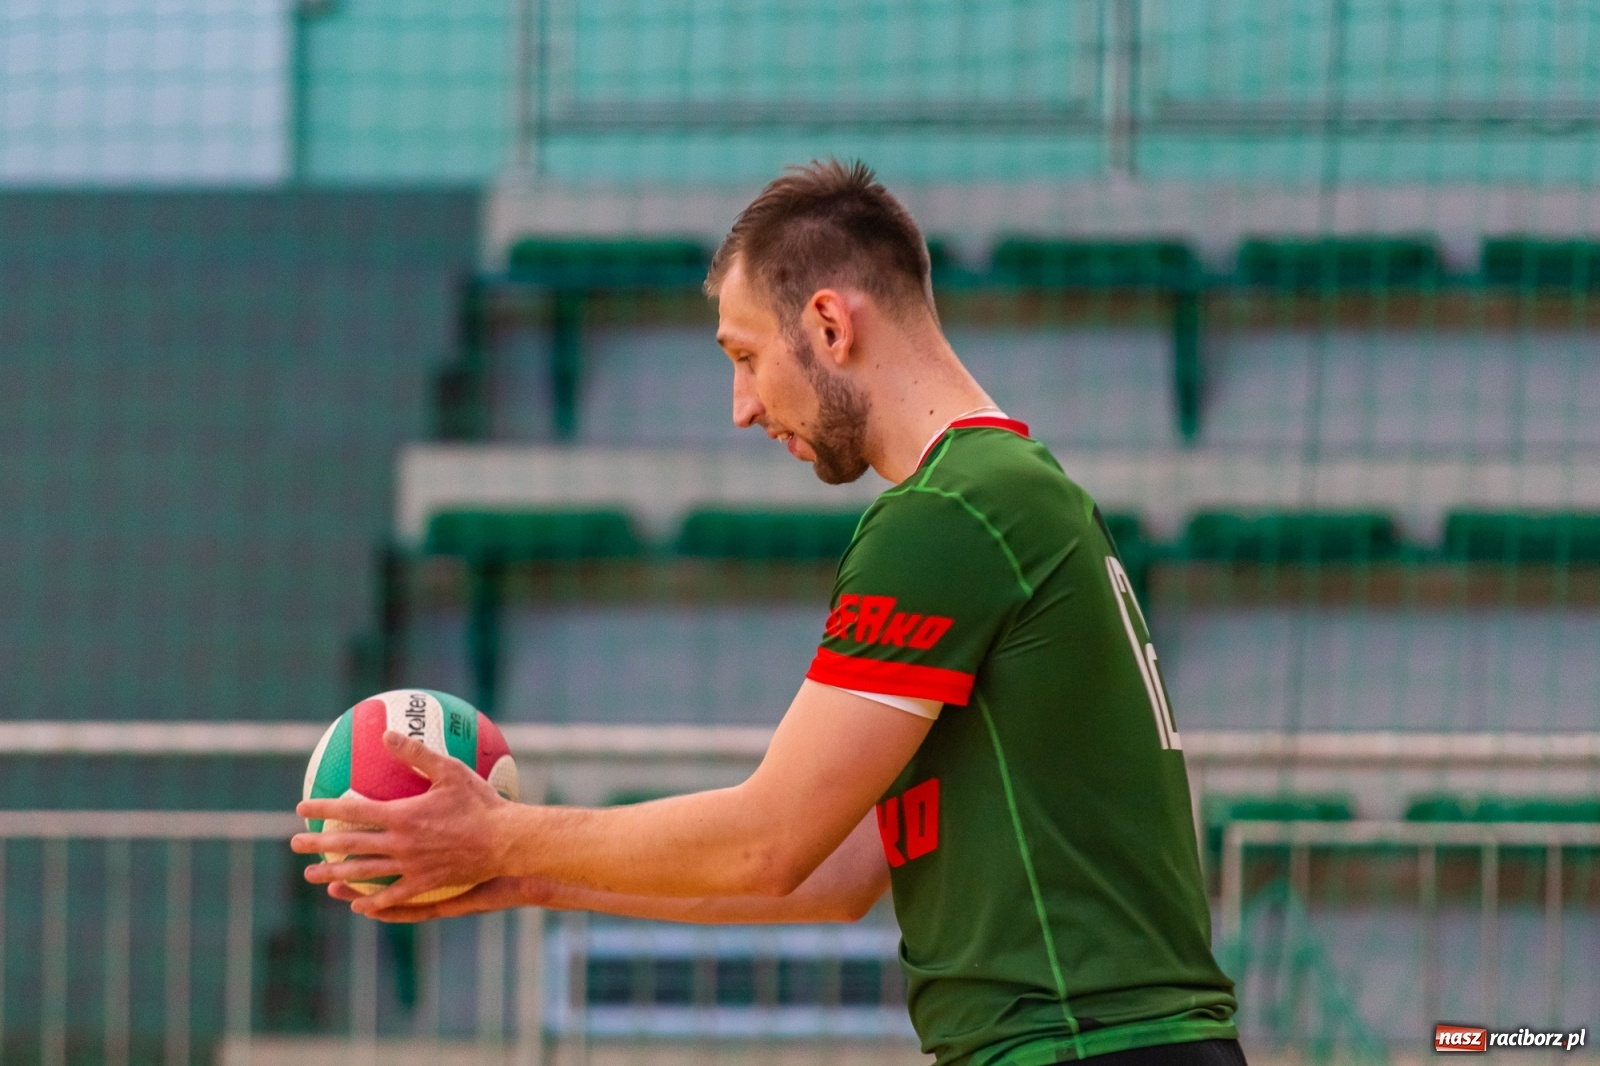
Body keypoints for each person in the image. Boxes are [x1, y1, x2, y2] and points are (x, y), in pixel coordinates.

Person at [294, 159, 1242, 1065]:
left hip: (1085, 1050)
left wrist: (502, 833)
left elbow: (766, 839)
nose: (742, 407)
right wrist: (521, 875)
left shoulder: (950, 513)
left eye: (746, 356)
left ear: (829, 324)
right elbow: (828, 878)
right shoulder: (1011, 494)